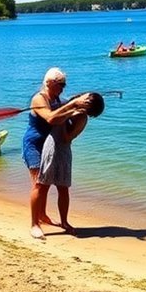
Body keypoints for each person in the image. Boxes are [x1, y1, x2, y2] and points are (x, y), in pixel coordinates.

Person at [22, 67, 94, 240]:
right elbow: (51, 118)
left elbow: (65, 117)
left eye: (64, 84)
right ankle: (34, 225)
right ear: (49, 83)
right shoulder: (39, 98)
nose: (63, 88)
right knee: (40, 184)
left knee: (55, 186)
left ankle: (50, 217)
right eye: (60, 84)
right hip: (35, 144)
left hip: (51, 145)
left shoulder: (59, 100)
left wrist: (79, 109)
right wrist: (71, 106)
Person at [37, 92, 105, 236]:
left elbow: (67, 138)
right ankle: (37, 219)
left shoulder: (81, 117)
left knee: (63, 188)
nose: (81, 97)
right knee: (43, 185)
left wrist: (67, 114)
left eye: (85, 98)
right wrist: (68, 109)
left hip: (61, 151)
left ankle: (64, 221)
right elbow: (51, 117)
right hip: (50, 146)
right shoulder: (69, 107)